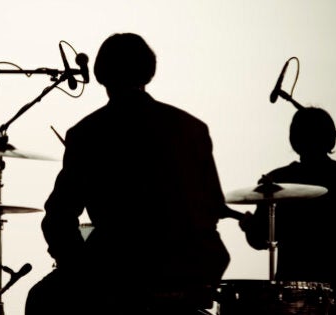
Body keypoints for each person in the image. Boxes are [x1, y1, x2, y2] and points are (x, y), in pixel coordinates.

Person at [25, 33, 230, 315]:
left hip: (118, 271)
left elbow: (58, 217)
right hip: (188, 269)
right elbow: (211, 209)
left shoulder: (87, 133)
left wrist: (78, 265)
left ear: (100, 74)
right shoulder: (192, 128)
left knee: (41, 298)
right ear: (149, 71)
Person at [239, 107, 336, 315]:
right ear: (331, 138)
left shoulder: (277, 180)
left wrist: (248, 227)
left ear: (294, 140)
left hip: (296, 297)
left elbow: (260, 239)